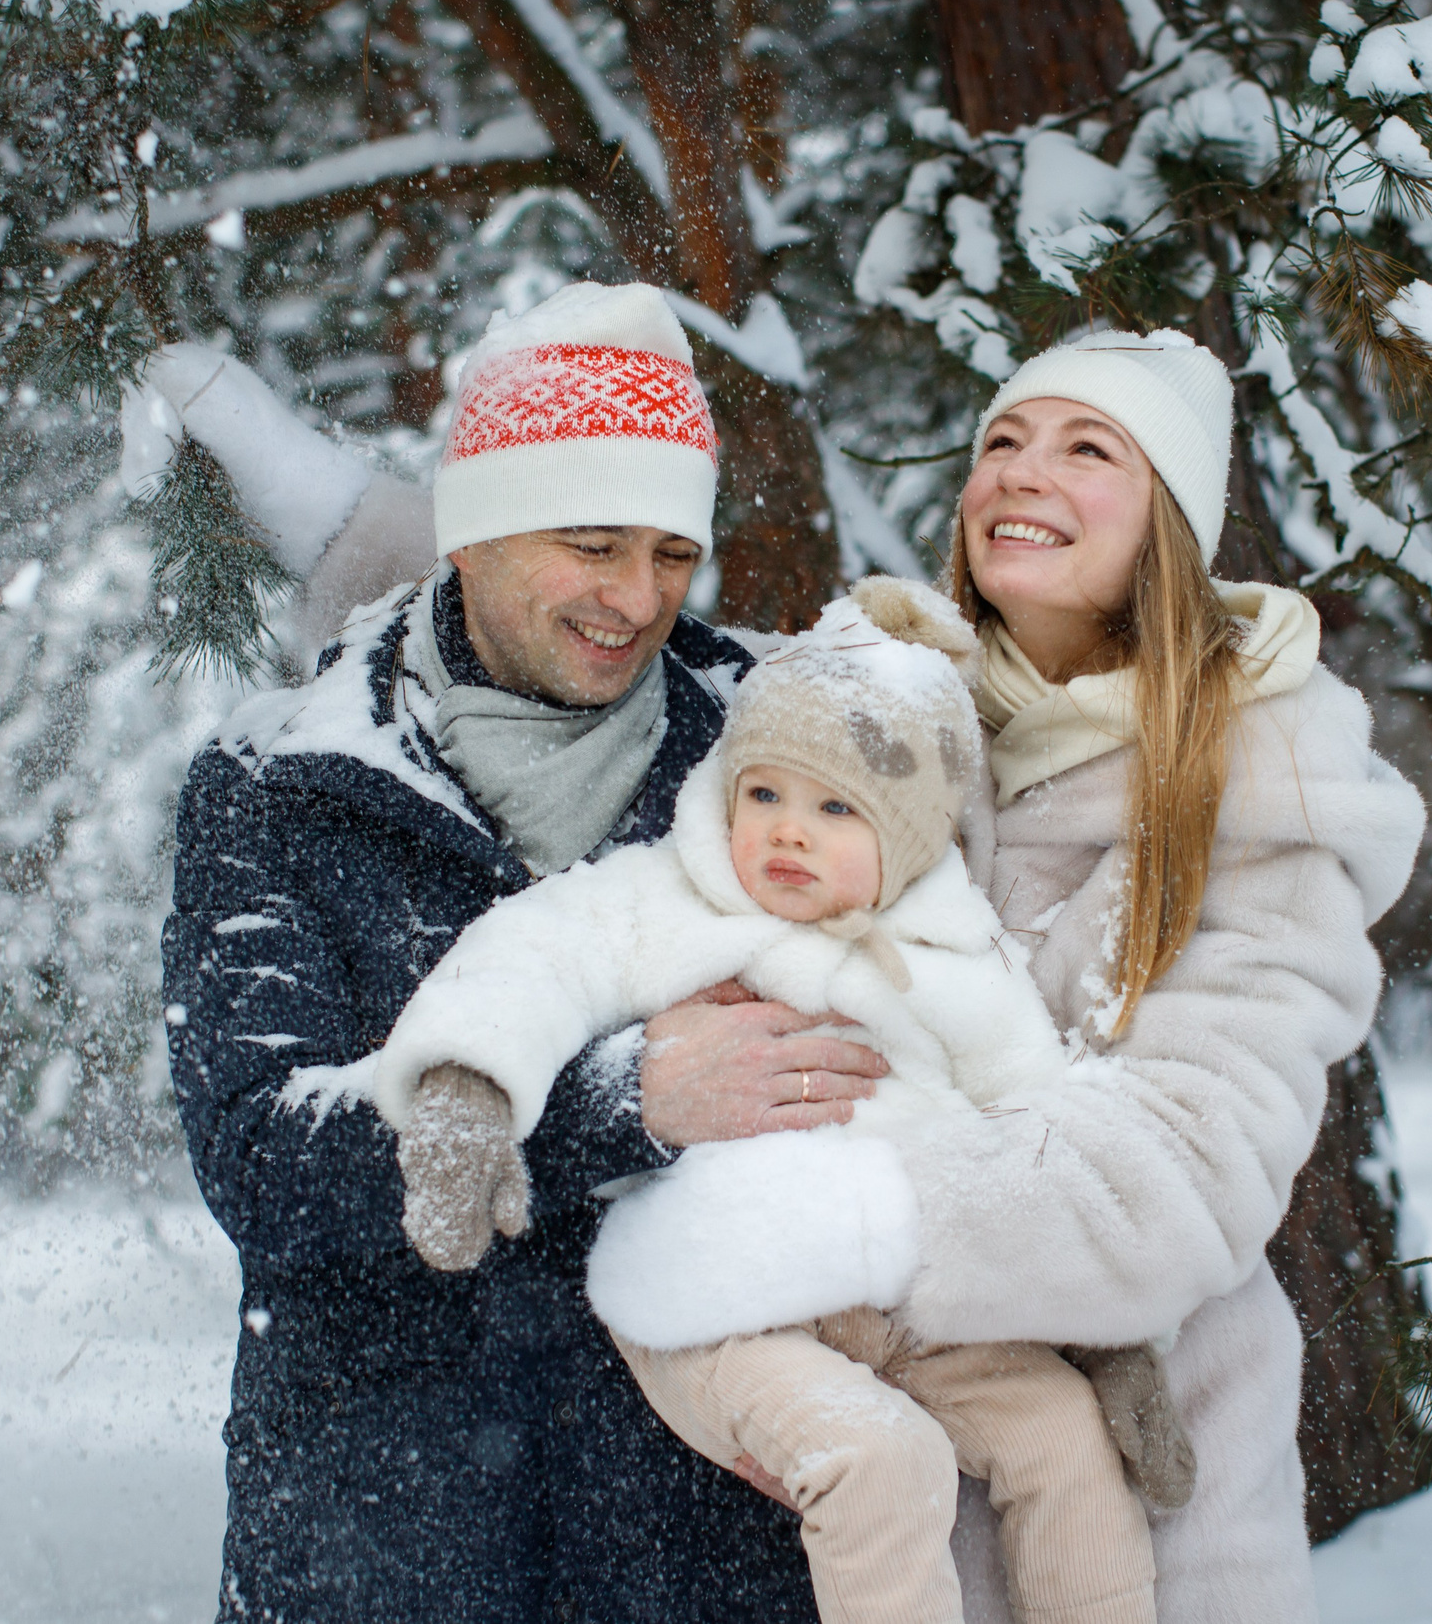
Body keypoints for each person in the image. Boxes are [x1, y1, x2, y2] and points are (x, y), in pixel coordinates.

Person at [639, 331, 1427, 1622]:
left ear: (1167, 515)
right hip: (866, 1489)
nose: (1023, 472)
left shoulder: (1269, 782)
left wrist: (826, 1223)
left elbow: (1182, 1164)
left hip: (1149, 1480)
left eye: (1086, 447)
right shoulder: (872, 713)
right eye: (1001, 440)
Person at [162, 281, 876, 1623]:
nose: (636, 598)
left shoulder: (776, 757)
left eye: (673, 551)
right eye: (593, 542)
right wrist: (618, 1105)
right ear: (477, 531)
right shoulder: (281, 782)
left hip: (708, 1545)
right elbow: (262, 1155)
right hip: (388, 1539)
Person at [346, 575, 1189, 1624]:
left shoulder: (956, 958)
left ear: (911, 831)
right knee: (883, 1461)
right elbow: (531, 959)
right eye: (766, 795)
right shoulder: (671, 897)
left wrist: (1106, 1337)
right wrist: (468, 1085)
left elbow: (1040, 1138)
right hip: (720, 1306)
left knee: (1064, 1437)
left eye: (836, 808)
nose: (788, 832)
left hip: (911, 1309)